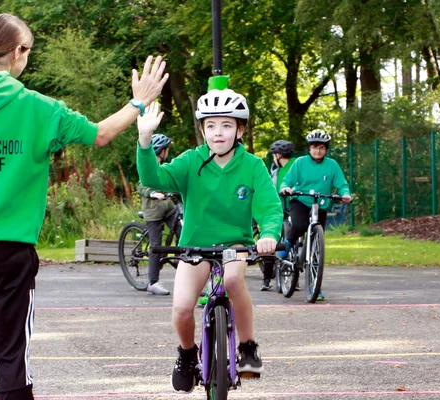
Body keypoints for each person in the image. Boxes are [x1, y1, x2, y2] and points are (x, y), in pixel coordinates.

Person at [0, 13, 167, 400]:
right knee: (12, 359)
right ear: (18, 52)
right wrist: (139, 102)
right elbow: (101, 134)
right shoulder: (36, 107)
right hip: (8, 252)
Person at [135, 76, 282, 393]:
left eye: (227, 125)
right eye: (212, 125)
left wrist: (268, 234)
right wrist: (145, 142)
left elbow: (269, 208)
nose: (219, 132)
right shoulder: (191, 161)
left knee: (232, 280)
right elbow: (154, 177)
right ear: (203, 130)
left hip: (235, 245)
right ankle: (187, 354)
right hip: (195, 247)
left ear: (239, 130)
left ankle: (248, 347)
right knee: (183, 308)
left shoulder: (253, 166)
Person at [278, 130, 353, 301]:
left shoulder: (332, 165)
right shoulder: (300, 163)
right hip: (301, 201)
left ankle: (315, 287)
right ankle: (288, 242)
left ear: (326, 149)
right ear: (308, 149)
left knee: (316, 249)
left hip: (320, 205)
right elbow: (287, 181)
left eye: (321, 148)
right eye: (314, 147)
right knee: (299, 225)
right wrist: (286, 188)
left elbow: (341, 184)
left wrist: (345, 194)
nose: (317, 151)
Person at [137, 133, 177, 295]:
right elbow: (141, 186)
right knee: (156, 247)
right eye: (166, 149)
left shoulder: (164, 166)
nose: (167, 152)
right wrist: (153, 193)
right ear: (161, 150)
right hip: (153, 212)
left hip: (168, 208)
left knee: (185, 234)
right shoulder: (148, 165)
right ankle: (153, 283)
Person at [258, 139, 297, 291]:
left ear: (278, 155)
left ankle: (267, 279)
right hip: (293, 209)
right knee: (296, 242)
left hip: (281, 210)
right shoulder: (296, 165)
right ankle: (295, 276)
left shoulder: (282, 170)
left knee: (269, 240)